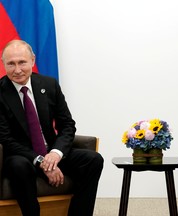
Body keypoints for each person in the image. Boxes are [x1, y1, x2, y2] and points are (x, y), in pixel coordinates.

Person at [0, 39, 104, 216]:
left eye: (22, 62)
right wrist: (42, 162)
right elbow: (5, 139)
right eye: (11, 64)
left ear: (32, 60)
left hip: (51, 151)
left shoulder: (49, 85)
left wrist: (55, 154)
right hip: (22, 156)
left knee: (93, 159)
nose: (17, 70)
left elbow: (67, 125)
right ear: (4, 64)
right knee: (19, 166)